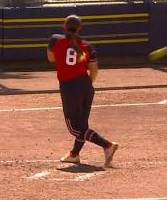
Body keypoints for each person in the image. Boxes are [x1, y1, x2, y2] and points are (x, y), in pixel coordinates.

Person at [47, 15, 119, 167]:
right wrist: (86, 85)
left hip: (69, 87)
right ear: (80, 28)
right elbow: (94, 69)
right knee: (82, 124)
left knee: (74, 128)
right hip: (86, 85)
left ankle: (107, 145)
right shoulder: (87, 46)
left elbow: (51, 58)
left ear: (64, 26)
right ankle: (74, 154)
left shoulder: (55, 39)